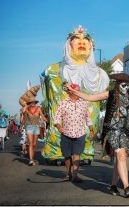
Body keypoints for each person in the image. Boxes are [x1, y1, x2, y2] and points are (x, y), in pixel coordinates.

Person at [66, 73, 129, 197]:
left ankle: (113, 185)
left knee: (120, 159)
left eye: (126, 84)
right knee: (120, 155)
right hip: (113, 130)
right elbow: (89, 97)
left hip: (127, 131)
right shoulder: (109, 94)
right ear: (117, 83)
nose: (125, 86)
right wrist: (73, 91)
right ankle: (127, 187)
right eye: (122, 83)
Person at [41, 25, 109, 164]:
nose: (82, 42)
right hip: (63, 118)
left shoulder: (100, 74)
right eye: (76, 38)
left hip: (84, 119)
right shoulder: (53, 70)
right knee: (61, 133)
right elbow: (47, 95)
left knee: (85, 135)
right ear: (68, 44)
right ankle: (57, 152)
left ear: (91, 46)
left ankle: (84, 153)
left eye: (86, 39)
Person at [54, 83, 94, 183]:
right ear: (71, 91)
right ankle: (68, 174)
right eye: (77, 90)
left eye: (79, 90)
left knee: (77, 154)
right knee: (67, 155)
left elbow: (88, 118)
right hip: (66, 132)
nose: (79, 92)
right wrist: (59, 127)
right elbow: (57, 118)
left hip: (80, 133)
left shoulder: (83, 103)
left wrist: (92, 130)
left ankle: (75, 175)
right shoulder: (63, 103)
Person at [20, 97, 47, 165]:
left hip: (37, 127)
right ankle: (31, 160)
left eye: (34, 102)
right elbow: (24, 119)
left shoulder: (38, 109)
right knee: (30, 143)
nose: (33, 103)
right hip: (29, 127)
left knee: (34, 144)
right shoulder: (26, 110)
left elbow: (43, 117)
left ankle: (32, 156)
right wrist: (21, 126)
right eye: (32, 102)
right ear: (29, 103)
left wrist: (49, 121)